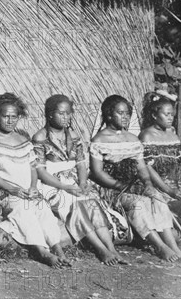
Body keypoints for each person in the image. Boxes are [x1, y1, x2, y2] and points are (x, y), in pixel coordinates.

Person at [0, 93, 71, 268]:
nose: (10, 120)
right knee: (23, 211)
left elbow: (33, 166)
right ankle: (42, 252)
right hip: (5, 191)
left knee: (42, 208)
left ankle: (57, 248)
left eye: (14, 116)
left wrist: (34, 186)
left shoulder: (23, 140)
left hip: (27, 190)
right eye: (5, 116)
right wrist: (12, 190)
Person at [90, 95, 181, 261]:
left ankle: (174, 246)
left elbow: (141, 168)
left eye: (127, 113)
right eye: (120, 113)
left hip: (133, 185)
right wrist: (121, 185)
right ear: (109, 115)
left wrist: (148, 184)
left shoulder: (132, 139)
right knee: (138, 203)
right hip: (111, 188)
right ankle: (160, 246)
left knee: (158, 198)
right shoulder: (100, 140)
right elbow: (98, 173)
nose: (125, 117)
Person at [33, 95, 124, 265]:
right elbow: (41, 172)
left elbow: (82, 164)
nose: (66, 117)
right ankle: (101, 249)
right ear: (49, 115)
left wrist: (82, 183)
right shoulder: (40, 138)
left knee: (92, 204)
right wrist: (65, 187)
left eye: (69, 113)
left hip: (74, 181)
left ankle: (111, 249)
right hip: (53, 184)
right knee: (76, 206)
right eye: (61, 113)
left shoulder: (73, 136)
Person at [139, 92, 181, 243]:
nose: (170, 118)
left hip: (178, 185)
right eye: (166, 114)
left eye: (172, 115)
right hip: (159, 188)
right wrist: (168, 190)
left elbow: (180, 164)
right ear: (154, 116)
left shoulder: (173, 137)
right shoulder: (146, 136)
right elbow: (148, 168)